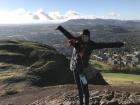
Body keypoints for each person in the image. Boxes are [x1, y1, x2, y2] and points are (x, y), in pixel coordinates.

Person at [57, 26, 124, 105]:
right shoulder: (77, 41)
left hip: (82, 70)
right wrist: (60, 28)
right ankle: (81, 103)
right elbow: (68, 35)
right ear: (82, 36)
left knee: (85, 89)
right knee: (79, 88)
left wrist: (119, 44)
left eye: (87, 37)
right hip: (74, 68)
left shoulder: (91, 44)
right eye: (84, 36)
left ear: (89, 37)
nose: (85, 38)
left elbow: (105, 45)